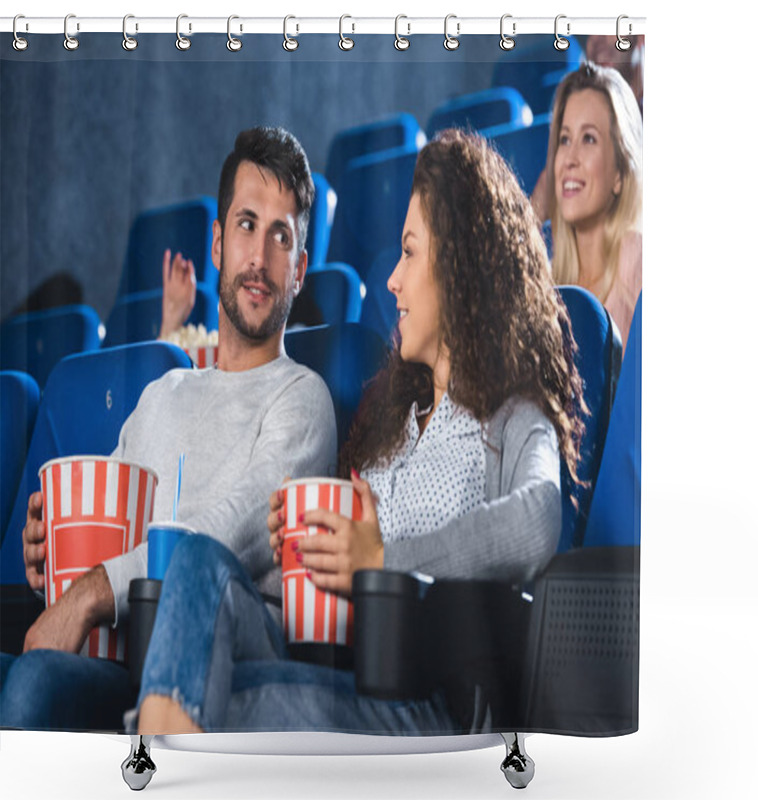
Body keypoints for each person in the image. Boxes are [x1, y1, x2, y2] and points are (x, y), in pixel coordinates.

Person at [131, 129, 586, 736]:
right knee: (196, 566)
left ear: (461, 265)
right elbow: (339, 601)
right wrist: (307, 548)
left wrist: (382, 559)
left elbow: (536, 520)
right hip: (342, 674)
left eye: (410, 252)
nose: (392, 280)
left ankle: (144, 761)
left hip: (428, 705)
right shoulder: (393, 427)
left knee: (212, 706)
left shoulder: (511, 416)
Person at [0, 127, 338, 730]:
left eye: (280, 237)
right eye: (245, 225)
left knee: (33, 686)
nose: (259, 258)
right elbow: (108, 523)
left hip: (217, 658)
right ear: (215, 243)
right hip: (120, 652)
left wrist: (90, 592)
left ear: (301, 270)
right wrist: (52, 550)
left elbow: (232, 531)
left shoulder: (301, 397)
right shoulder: (162, 394)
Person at [530, 63, 643, 348]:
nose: (570, 158)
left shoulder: (638, 258)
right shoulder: (549, 279)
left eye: (588, 139)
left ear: (619, 172)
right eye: (564, 140)